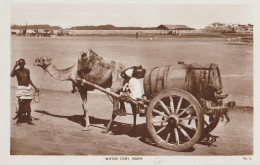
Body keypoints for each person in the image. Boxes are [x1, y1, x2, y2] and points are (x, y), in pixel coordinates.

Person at [10, 58, 39, 125]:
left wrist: (35, 87)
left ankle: (29, 119)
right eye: (20, 64)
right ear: (18, 64)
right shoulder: (17, 71)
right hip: (21, 89)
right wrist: (15, 66)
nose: (21, 65)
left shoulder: (27, 70)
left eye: (22, 64)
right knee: (21, 104)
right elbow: (11, 75)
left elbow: (29, 80)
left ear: (24, 64)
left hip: (27, 89)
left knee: (28, 104)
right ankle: (19, 120)